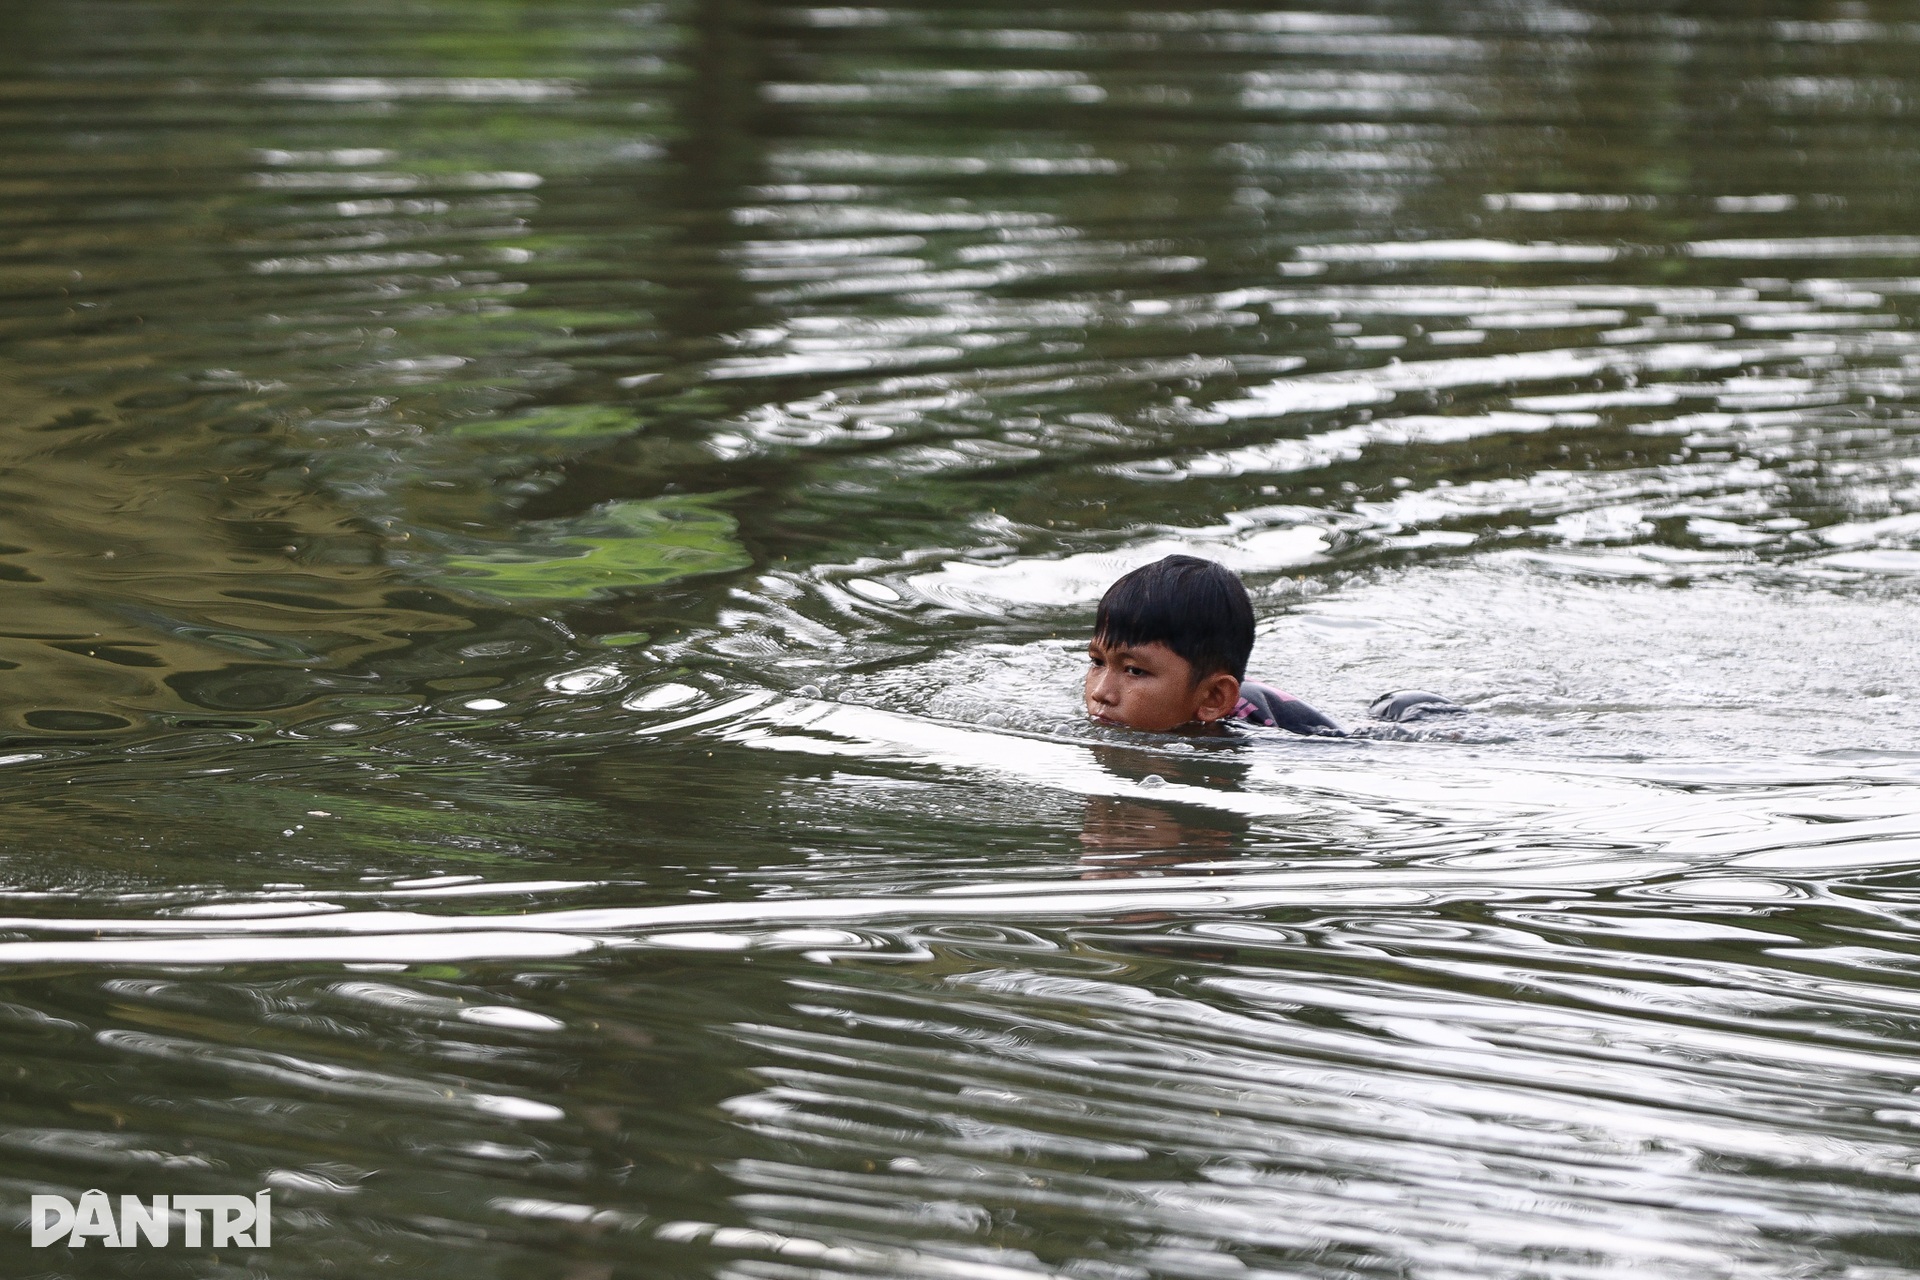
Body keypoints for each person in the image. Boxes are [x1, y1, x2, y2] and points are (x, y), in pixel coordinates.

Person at [1083, 555, 1461, 736]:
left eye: (1134, 670)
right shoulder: (1122, 709)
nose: (1101, 692)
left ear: (1213, 698)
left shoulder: (1255, 744)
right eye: (1097, 662)